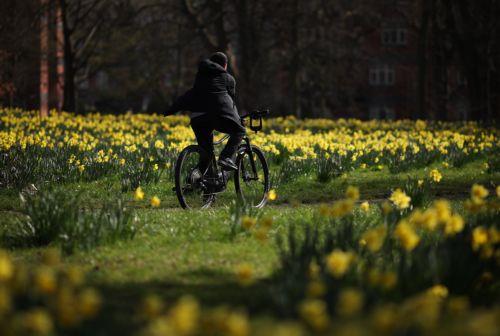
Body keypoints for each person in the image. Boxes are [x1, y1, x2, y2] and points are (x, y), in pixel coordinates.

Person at [165, 52, 245, 173]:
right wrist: (238, 120)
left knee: (206, 152)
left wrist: (170, 110)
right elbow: (230, 102)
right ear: (225, 65)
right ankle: (226, 157)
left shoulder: (200, 77)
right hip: (219, 114)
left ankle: (196, 183)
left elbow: (190, 95)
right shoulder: (228, 78)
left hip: (198, 118)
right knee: (239, 131)